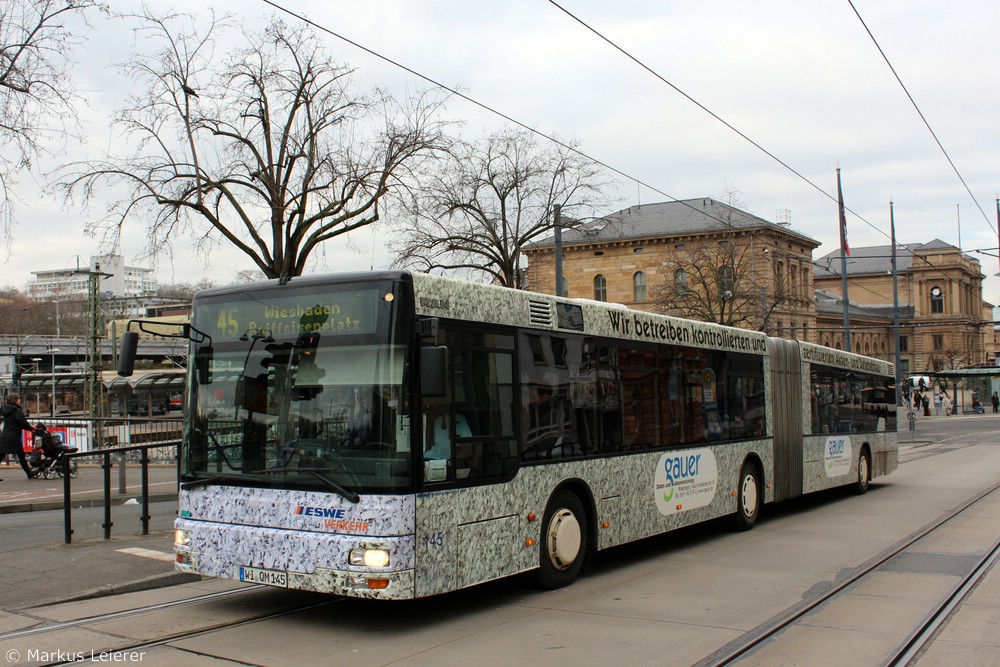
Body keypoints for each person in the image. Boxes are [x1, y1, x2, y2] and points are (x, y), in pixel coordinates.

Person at [0, 392, 37, 480]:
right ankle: (29, 473)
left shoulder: (6, 410)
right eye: (18, 399)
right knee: (21, 456)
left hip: (5, 435)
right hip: (14, 436)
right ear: (15, 400)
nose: (19, 400)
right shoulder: (17, 410)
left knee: (1, 455)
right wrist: (31, 428)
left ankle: (29, 473)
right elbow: (22, 422)